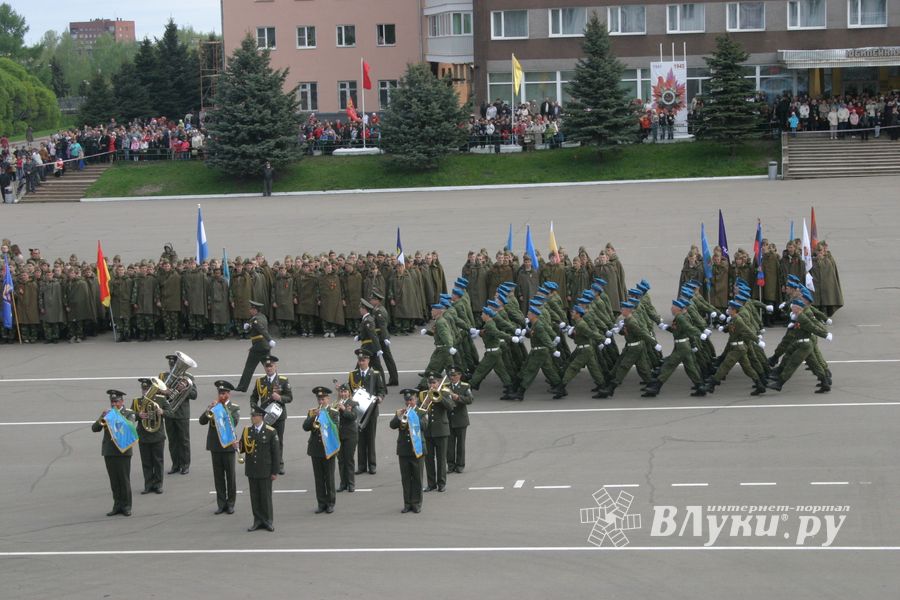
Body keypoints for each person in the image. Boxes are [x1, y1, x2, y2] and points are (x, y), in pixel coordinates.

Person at [199, 380, 240, 515]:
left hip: (228, 445)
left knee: (230, 476)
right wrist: (209, 409)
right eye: (220, 393)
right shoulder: (214, 406)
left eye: (224, 393)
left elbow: (233, 422)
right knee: (218, 477)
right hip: (215, 445)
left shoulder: (234, 407)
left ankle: (231, 503)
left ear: (229, 394)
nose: (221, 396)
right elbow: (202, 421)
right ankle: (221, 504)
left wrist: (221, 409)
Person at [91, 389, 135, 516]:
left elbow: (129, 427)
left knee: (124, 480)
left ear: (122, 401)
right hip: (109, 451)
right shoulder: (108, 413)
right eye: (112, 402)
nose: (114, 404)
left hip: (123, 451)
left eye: (116, 402)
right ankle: (117, 505)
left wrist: (115, 416)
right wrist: (102, 417)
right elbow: (95, 429)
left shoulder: (128, 413)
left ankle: (126, 506)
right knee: (114, 481)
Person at [249, 355, 292, 475]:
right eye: (266, 366)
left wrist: (280, 397)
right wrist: (254, 406)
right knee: (264, 440)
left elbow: (290, 397)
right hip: (264, 416)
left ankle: (279, 464)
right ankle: (266, 463)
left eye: (271, 366)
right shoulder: (260, 381)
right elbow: (254, 396)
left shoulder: (283, 380)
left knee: (278, 440)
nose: (269, 368)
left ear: (275, 366)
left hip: (278, 416)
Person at [240, 406, 280, 532]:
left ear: (261, 417)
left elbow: (276, 453)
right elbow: (243, 448)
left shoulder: (270, 431)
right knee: (255, 496)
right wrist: (237, 445)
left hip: (265, 470)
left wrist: (274, 471)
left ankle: (268, 520)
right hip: (252, 469)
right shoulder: (247, 431)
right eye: (252, 416)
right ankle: (257, 520)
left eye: (255, 416)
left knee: (265, 497)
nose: (252, 418)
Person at [348, 348, 386, 475]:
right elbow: (349, 391)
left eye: (363, 360)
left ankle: (372, 464)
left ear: (368, 360)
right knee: (360, 438)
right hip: (358, 411)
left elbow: (381, 389)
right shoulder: (353, 375)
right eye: (359, 360)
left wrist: (380, 397)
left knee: (370, 438)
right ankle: (361, 465)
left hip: (371, 411)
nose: (361, 362)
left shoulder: (375, 374)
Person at [303, 387, 339, 514]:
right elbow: (305, 427)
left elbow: (335, 428)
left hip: (328, 449)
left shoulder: (333, 412)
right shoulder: (312, 412)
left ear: (328, 399)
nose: (321, 401)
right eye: (319, 399)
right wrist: (313, 417)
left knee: (329, 477)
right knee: (318, 478)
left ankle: (330, 503)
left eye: (323, 399)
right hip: (315, 449)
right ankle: (321, 503)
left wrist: (324, 417)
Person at [391, 388, 427, 513]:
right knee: (405, 478)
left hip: (417, 449)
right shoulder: (401, 412)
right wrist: (399, 416)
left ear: (416, 399)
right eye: (407, 400)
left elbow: (425, 426)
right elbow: (392, 425)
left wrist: (413, 417)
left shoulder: (421, 411)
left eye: (411, 400)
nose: (409, 403)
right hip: (404, 450)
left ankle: (416, 503)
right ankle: (407, 503)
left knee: (417, 477)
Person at [132, 378, 170, 494]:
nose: (145, 391)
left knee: (158, 461)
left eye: (147, 389)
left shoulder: (161, 400)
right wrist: (139, 415)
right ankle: (148, 485)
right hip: (143, 436)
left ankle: (158, 484)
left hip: (157, 436)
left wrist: (163, 412)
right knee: (146, 462)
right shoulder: (136, 401)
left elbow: (171, 412)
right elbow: (131, 415)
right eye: (143, 389)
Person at [160, 354, 197, 475]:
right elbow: (157, 394)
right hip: (169, 412)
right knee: (172, 441)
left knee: (184, 440)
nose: (172, 367)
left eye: (174, 365)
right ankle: (175, 464)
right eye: (170, 365)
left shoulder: (188, 377)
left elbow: (194, 395)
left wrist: (186, 387)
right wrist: (163, 391)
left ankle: (185, 465)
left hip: (182, 413)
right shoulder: (163, 376)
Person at [419, 373, 453, 493]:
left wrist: (439, 397)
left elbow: (450, 407)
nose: (432, 385)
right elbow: (419, 411)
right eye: (430, 383)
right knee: (429, 459)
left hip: (441, 430)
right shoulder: (423, 394)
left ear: (438, 383)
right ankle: (431, 484)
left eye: (434, 383)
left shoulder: (445, 392)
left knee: (441, 459)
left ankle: (441, 483)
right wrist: (427, 400)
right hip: (428, 431)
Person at [236, 300, 276, 392]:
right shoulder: (262, 317)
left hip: (259, 347)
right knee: (269, 366)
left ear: (255, 310)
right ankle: (277, 385)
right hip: (265, 346)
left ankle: (242, 386)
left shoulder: (255, 319)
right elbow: (255, 328)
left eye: (251, 309)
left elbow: (262, 330)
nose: (250, 310)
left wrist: (270, 339)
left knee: (249, 367)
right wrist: (248, 327)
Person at [445, 366, 473, 474]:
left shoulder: (465, 386)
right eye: (450, 375)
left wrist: (458, 398)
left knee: (460, 444)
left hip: (461, 420)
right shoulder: (446, 386)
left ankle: (460, 465)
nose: (452, 377)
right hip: (449, 419)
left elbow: (470, 399)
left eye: (454, 375)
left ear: (459, 375)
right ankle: (451, 465)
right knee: (449, 445)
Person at [335, 384, 359, 492]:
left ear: (349, 393)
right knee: (341, 460)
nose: (343, 394)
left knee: (349, 460)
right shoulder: (335, 404)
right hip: (339, 435)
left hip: (350, 435)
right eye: (341, 392)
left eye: (345, 392)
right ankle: (343, 483)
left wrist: (344, 409)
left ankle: (351, 483)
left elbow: (353, 417)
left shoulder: (353, 404)